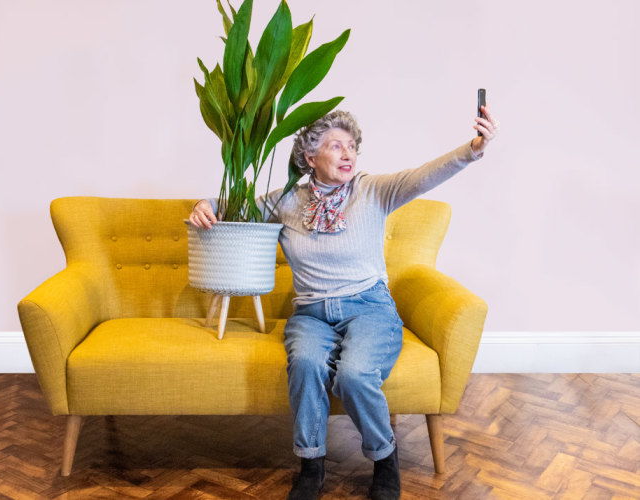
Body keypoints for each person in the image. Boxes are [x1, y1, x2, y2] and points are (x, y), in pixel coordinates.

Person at [189, 105, 499, 500]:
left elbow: (423, 176)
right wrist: (205, 206)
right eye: (336, 146)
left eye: (352, 146)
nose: (348, 154)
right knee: (304, 364)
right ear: (310, 157)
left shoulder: (372, 190)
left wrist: (473, 148)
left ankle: (385, 457)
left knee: (353, 376)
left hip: (369, 308)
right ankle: (311, 465)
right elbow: (234, 206)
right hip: (311, 315)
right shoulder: (286, 201)